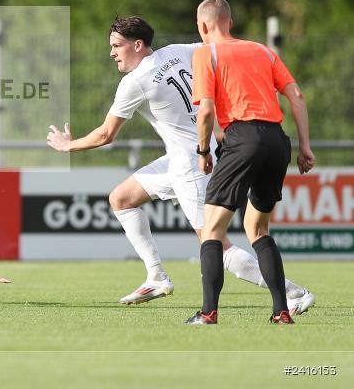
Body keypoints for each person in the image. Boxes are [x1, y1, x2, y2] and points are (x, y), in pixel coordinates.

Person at [47, 16, 314, 314]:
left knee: (215, 243)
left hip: (192, 165)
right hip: (186, 157)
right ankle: (156, 276)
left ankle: (294, 293)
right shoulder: (178, 51)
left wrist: (68, 145)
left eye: (117, 46)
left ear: (138, 45)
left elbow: (106, 134)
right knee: (121, 198)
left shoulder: (134, 82)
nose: (112, 53)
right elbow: (218, 46)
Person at [186, 0, 315, 325]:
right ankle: (281, 311)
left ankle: (208, 313)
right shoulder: (263, 51)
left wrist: (203, 152)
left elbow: (205, 111)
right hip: (277, 141)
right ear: (230, 22)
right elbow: (296, 95)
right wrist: (305, 147)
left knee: (212, 229)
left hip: (242, 138)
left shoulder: (206, 54)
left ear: (203, 26)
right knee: (257, 228)